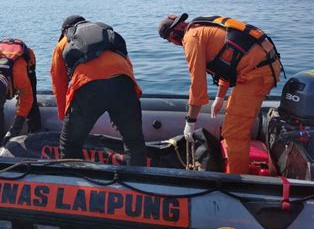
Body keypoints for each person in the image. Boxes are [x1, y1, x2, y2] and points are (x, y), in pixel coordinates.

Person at [158, 14, 283, 174]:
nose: (174, 43)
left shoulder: (191, 38)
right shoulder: (202, 29)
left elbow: (197, 84)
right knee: (232, 121)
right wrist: (219, 97)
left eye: (170, 40)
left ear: (174, 35)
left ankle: (236, 181)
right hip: (259, 68)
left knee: (233, 133)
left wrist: (190, 121)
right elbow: (228, 61)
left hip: (256, 74)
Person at [50, 15, 147, 166]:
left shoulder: (64, 42)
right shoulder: (108, 37)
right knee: (134, 141)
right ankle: (137, 182)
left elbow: (59, 82)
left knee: (70, 145)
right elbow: (127, 65)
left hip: (88, 87)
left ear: (65, 31)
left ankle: (75, 182)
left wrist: (65, 115)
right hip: (124, 83)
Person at [0, 38, 41, 154]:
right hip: (2, 59)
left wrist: (14, 130)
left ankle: (35, 132)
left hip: (24, 60)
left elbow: (27, 101)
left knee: (32, 102)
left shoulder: (19, 77)